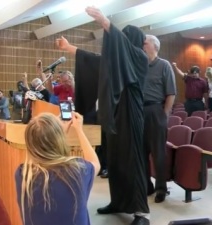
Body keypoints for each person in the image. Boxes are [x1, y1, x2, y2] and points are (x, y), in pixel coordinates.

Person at [56, 6, 150, 225]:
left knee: (133, 161)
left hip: (132, 115)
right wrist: (70, 48)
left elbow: (123, 47)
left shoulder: (139, 58)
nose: (117, 45)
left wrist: (104, 21)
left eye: (123, 40)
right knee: (116, 160)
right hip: (116, 114)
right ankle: (118, 201)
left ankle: (141, 213)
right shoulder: (118, 61)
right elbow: (97, 60)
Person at [15, 112, 100, 225]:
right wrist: (79, 130)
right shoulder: (77, 170)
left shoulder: (23, 174)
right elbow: (95, 163)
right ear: (59, 139)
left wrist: (54, 131)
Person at [143, 34, 176, 203]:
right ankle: (146, 185)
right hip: (139, 111)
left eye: (145, 42)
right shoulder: (138, 65)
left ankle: (161, 188)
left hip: (156, 110)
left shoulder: (164, 65)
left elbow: (171, 93)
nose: (142, 44)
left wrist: (164, 115)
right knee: (141, 153)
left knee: (158, 153)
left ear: (154, 46)